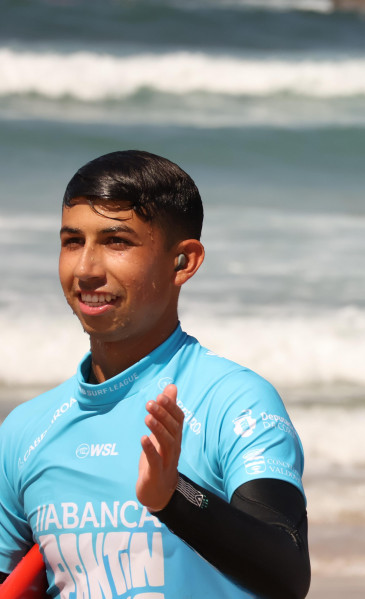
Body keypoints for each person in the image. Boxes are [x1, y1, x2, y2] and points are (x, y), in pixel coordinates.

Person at [0, 151, 311, 598]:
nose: (86, 269)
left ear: (183, 262)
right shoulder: (26, 432)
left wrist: (174, 498)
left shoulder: (233, 401)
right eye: (72, 241)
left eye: (116, 242)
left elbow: (287, 572)